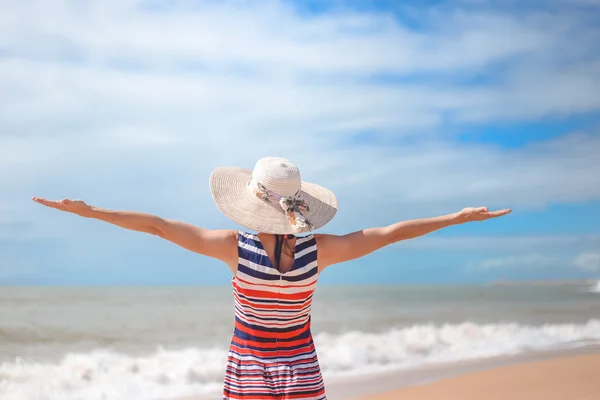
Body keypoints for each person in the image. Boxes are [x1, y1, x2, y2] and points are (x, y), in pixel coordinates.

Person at [32, 157, 511, 400]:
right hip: (302, 368)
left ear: (252, 203)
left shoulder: (232, 247)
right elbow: (390, 235)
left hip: (250, 370)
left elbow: (156, 225)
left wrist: (91, 213)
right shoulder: (318, 251)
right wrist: (455, 218)